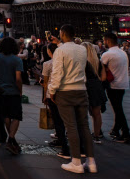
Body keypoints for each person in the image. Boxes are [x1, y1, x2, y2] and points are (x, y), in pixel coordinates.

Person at [48, 25, 96, 173]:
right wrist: (59, 43)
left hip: (65, 91)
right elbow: (71, 54)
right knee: (84, 126)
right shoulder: (81, 49)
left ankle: (76, 162)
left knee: (71, 126)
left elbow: (57, 73)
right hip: (81, 90)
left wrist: (52, 90)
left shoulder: (60, 51)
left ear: (62, 34)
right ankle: (91, 162)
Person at [0, 37, 23, 155]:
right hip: (13, 91)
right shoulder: (16, 60)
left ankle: (11, 139)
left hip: (0, 92)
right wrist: (20, 90)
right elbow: (18, 78)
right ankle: (11, 138)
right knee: (16, 116)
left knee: (6, 116)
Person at [42, 43, 70, 158]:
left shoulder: (48, 64)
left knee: (58, 121)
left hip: (52, 93)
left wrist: (45, 96)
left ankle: (64, 147)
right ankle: (80, 148)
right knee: (69, 121)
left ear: (49, 51)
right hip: (66, 92)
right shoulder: (65, 62)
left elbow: (45, 82)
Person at [101, 32, 130, 143]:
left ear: (107, 41)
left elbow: (101, 69)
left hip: (113, 85)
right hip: (123, 84)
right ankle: (115, 130)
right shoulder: (123, 53)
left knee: (118, 109)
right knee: (118, 107)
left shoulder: (107, 54)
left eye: (104, 41)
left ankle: (126, 133)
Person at [82, 42, 107, 144]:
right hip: (97, 87)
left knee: (83, 113)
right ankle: (96, 135)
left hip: (86, 87)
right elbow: (104, 77)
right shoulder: (99, 62)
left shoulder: (83, 62)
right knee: (97, 114)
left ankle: (84, 135)